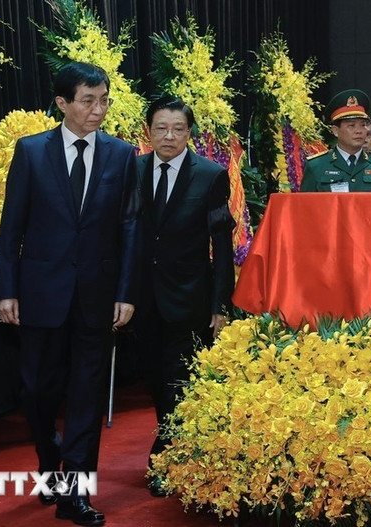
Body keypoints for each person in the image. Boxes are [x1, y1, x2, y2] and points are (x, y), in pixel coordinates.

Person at [0, 61, 139, 526]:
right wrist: (6, 289)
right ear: (62, 103)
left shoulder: (121, 155)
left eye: (104, 101)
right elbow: (11, 227)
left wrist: (125, 292)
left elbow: (129, 229)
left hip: (98, 296)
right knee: (36, 389)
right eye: (88, 101)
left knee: (86, 393)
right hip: (40, 292)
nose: (98, 111)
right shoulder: (31, 151)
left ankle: (74, 491)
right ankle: (48, 453)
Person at [135, 96, 235, 497]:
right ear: (149, 132)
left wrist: (220, 305)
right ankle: (176, 445)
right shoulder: (134, 169)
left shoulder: (210, 175)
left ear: (189, 133)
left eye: (178, 129)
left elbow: (222, 248)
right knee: (156, 379)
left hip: (190, 296)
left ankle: (164, 456)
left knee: (178, 379)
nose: (169, 136)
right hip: (142, 297)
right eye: (161, 128)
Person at [300, 89, 371, 192]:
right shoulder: (316, 165)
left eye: (363, 125)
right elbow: (305, 205)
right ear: (336, 131)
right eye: (351, 125)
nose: (359, 131)